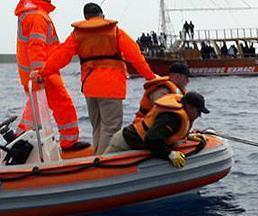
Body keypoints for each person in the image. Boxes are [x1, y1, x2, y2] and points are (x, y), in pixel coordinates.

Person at [37, 3, 157, 155]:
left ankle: (97, 156)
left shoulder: (77, 34)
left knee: (98, 126)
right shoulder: (115, 31)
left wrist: (43, 73)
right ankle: (103, 161)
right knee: (111, 127)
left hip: (90, 87)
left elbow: (60, 57)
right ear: (102, 15)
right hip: (111, 87)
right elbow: (135, 56)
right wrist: (150, 77)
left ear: (86, 18)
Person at [14, 0, 88, 151]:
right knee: (63, 105)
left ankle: (18, 142)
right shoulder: (37, 16)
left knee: (34, 110)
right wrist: (40, 72)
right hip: (43, 73)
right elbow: (36, 46)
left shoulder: (31, 14)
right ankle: (68, 143)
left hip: (36, 74)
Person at [105, 92, 209, 168]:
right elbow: (152, 140)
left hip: (136, 142)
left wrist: (187, 136)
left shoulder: (179, 116)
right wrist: (169, 154)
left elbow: (166, 134)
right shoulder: (171, 118)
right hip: (125, 143)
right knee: (104, 166)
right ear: (189, 107)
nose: (199, 116)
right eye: (198, 111)